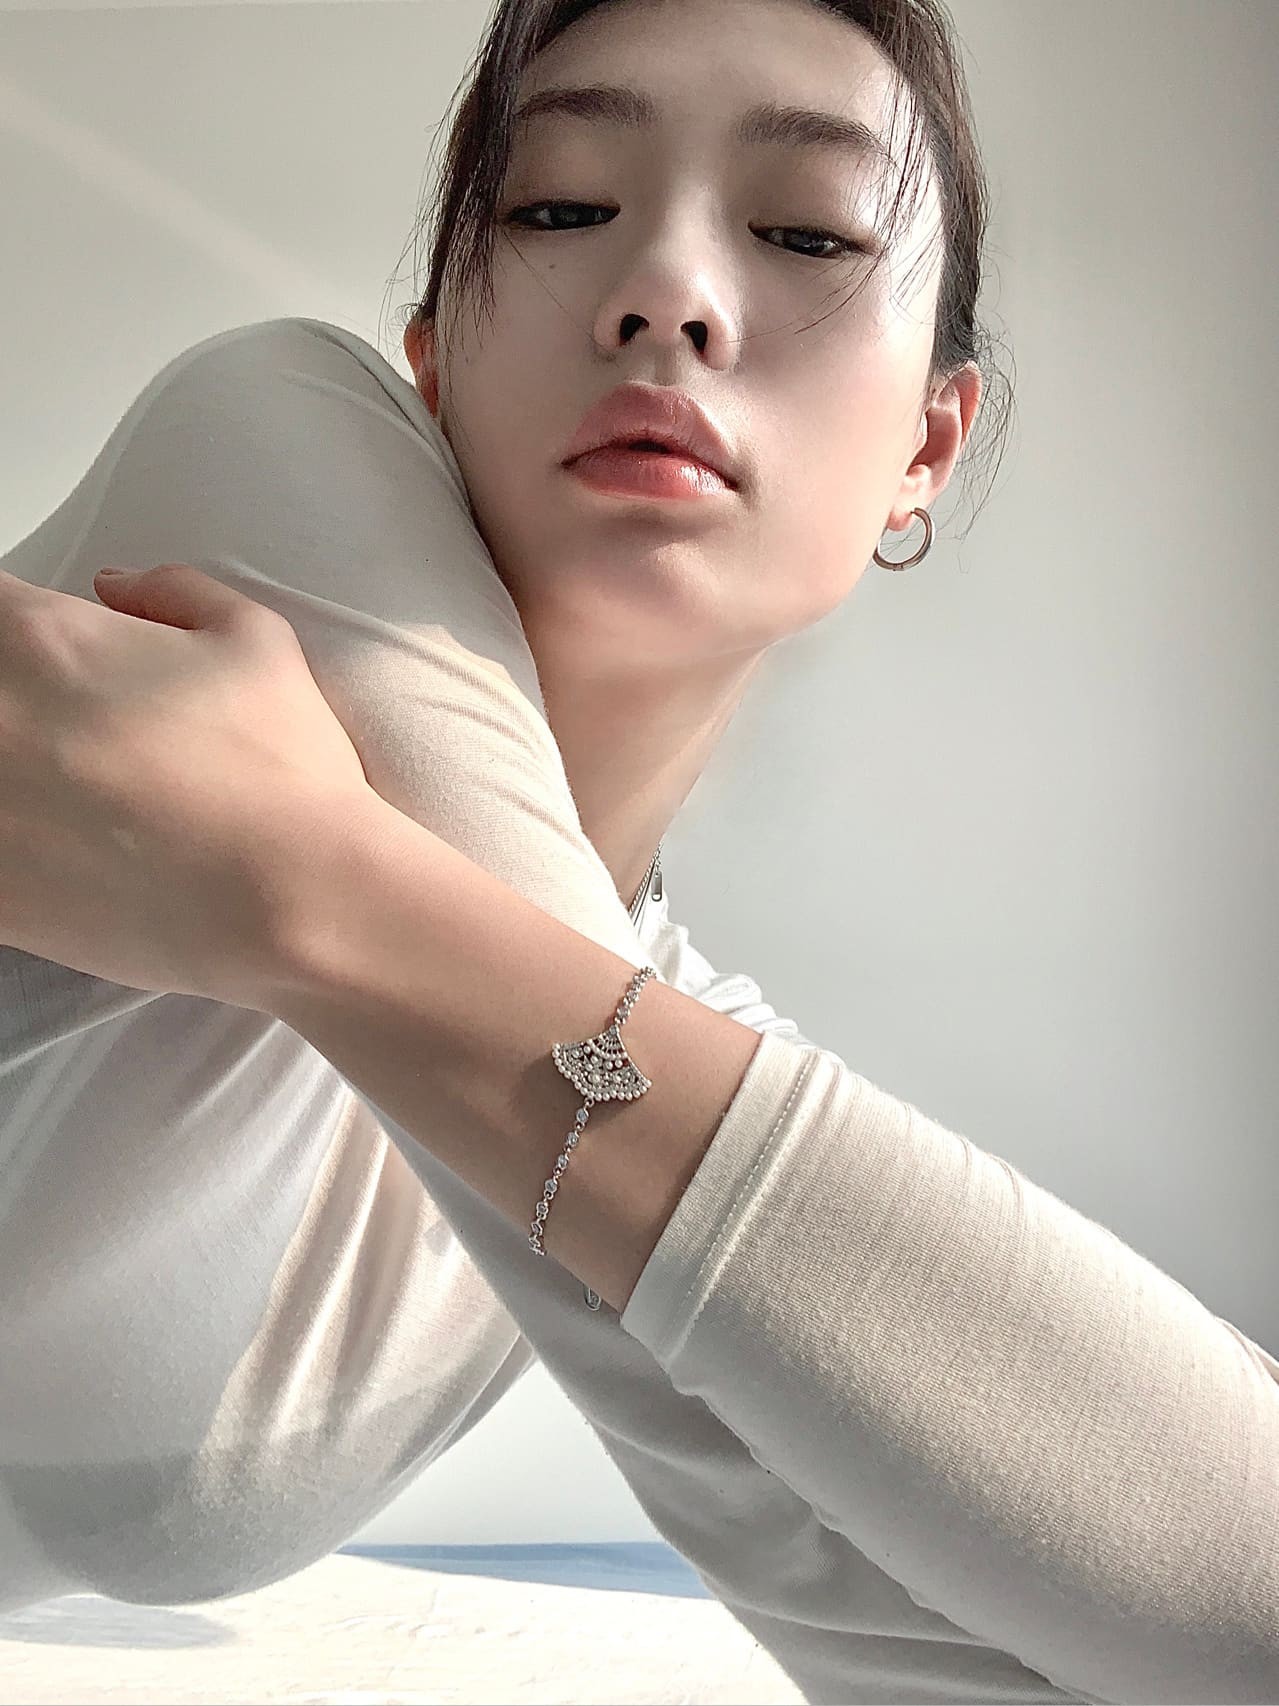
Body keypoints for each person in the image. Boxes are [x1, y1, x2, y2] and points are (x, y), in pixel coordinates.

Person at [1, 1, 1275, 1702]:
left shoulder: (655, 1043)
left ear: (926, 447)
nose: (666, 288)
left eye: (807, 232)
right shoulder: (255, 436)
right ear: (432, 362)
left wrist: (310, 896)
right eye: (562, 204)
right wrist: (316, 900)